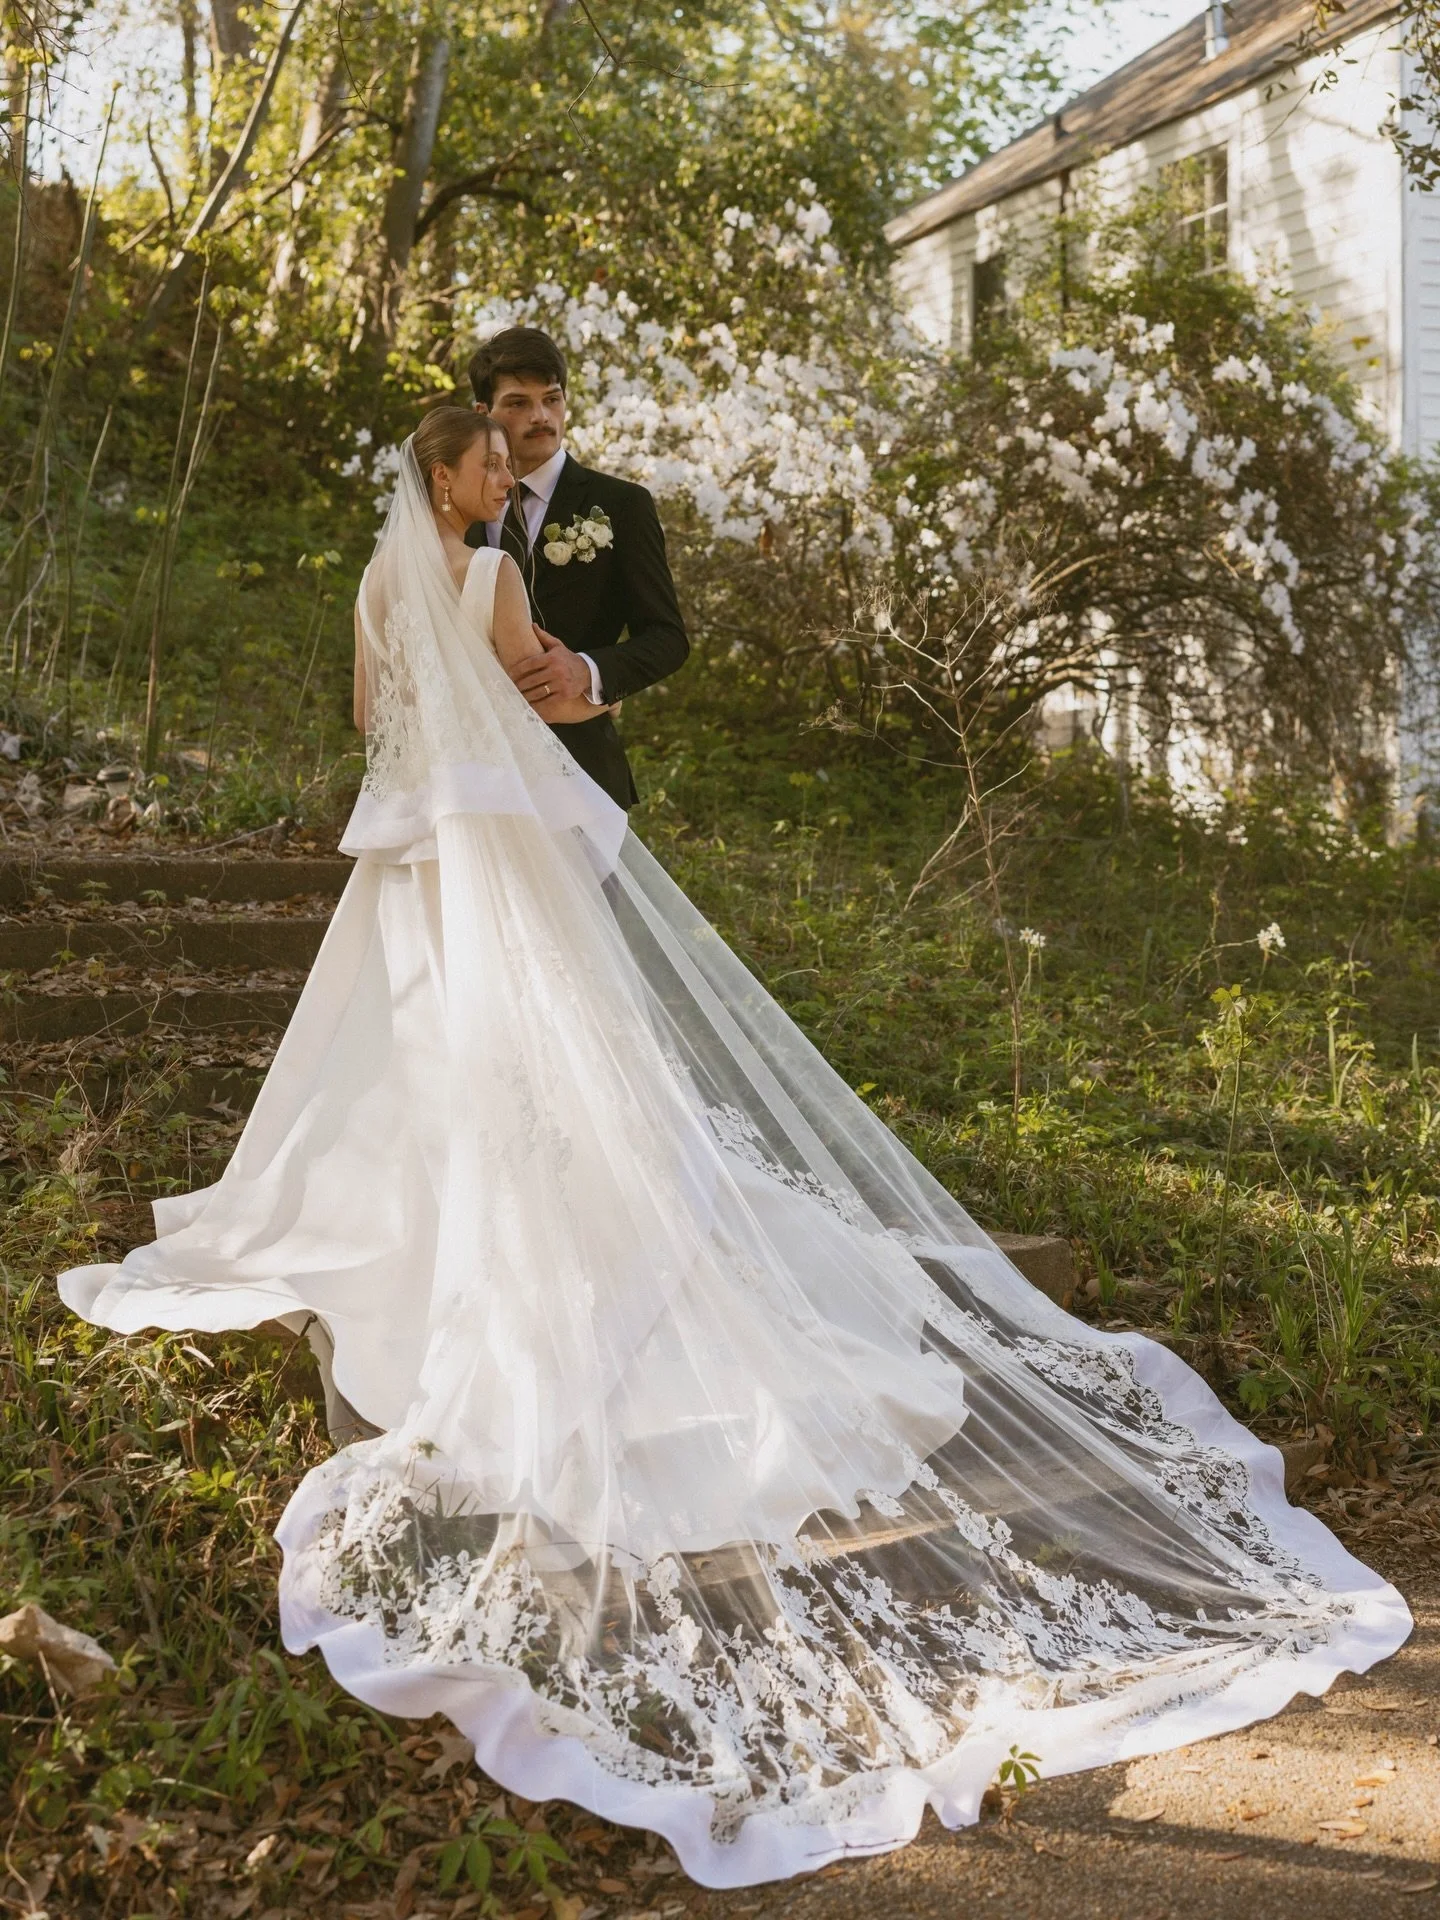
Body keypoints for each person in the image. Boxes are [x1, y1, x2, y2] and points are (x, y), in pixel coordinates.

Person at [57, 410, 1410, 1892]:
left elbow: (376, 712)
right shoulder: (495, 577)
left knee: (428, 1066)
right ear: (449, 477)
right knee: (561, 1077)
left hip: (410, 851)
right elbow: (532, 716)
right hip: (493, 844)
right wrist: (563, 728)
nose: (507, 483)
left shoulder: (376, 585)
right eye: (489, 469)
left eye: (511, 468)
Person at [465, 324, 690, 809]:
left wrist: (588, 671)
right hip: (473, 774)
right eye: (518, 403)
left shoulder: (622, 505)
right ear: (483, 414)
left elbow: (668, 638)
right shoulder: (458, 510)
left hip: (581, 772)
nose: (540, 416)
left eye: (551, 399)